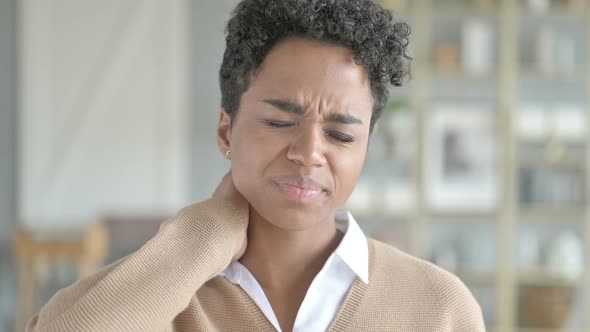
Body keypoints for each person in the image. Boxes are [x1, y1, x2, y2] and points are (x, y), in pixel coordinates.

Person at [26, 0, 486, 331]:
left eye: (341, 134)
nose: (309, 152)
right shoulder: (158, 299)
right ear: (227, 130)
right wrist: (203, 236)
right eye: (280, 121)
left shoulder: (439, 308)